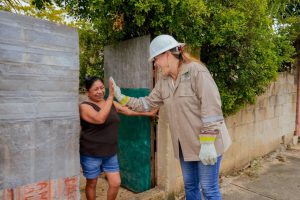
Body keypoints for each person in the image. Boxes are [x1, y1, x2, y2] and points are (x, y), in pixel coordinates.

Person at [111, 34, 232, 200]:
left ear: (167, 55)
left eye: (156, 59)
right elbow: (147, 103)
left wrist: (208, 142)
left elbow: (211, 107)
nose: (155, 64)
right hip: (185, 146)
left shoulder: (196, 71)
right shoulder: (164, 81)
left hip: (207, 143)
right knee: (190, 186)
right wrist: (121, 97)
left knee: (208, 189)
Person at [79, 76, 157, 200]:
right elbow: (100, 118)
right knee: (92, 184)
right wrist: (110, 96)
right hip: (91, 153)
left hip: (110, 152)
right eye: (95, 89)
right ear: (88, 92)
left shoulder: (111, 103)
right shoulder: (84, 106)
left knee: (115, 183)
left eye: (101, 88)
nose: (100, 91)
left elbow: (128, 111)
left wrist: (148, 113)